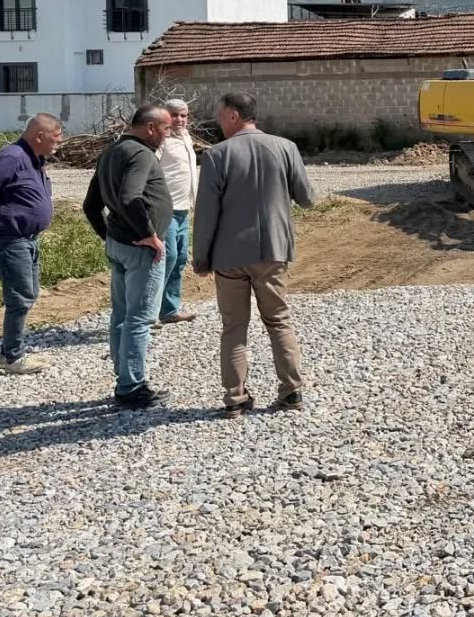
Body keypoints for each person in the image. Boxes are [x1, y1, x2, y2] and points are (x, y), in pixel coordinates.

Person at [193, 92, 315, 418]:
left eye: (220, 116)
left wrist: (201, 257)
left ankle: (235, 398)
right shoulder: (285, 147)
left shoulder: (217, 155)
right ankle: (291, 391)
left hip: (229, 255)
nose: (218, 121)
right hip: (273, 251)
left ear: (234, 116)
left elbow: (206, 213)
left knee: (234, 327)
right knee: (279, 321)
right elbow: (307, 197)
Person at [82, 103, 173, 409]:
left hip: (119, 244)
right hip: (140, 249)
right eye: (166, 128)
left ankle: (124, 378)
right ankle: (131, 387)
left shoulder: (111, 152)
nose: (168, 134)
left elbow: (90, 205)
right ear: (150, 128)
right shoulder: (141, 154)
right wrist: (149, 234)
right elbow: (130, 196)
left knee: (121, 315)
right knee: (139, 318)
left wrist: (108, 235)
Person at [0, 113, 64, 375]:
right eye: (55, 137)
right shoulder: (12, 157)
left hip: (27, 239)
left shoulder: (35, 160)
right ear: (39, 136)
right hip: (8, 239)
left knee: (28, 294)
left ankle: (9, 351)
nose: (59, 142)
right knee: (19, 298)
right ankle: (12, 357)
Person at [156, 98, 198, 325]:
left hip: (184, 209)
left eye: (183, 115)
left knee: (180, 259)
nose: (179, 120)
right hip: (167, 210)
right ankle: (149, 312)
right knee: (168, 258)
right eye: (174, 115)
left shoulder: (186, 138)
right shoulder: (161, 140)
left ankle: (169, 310)